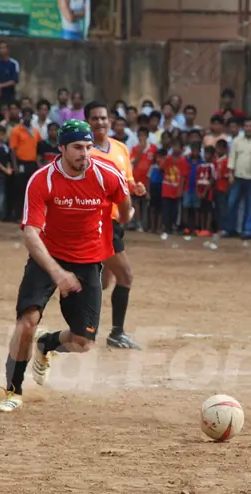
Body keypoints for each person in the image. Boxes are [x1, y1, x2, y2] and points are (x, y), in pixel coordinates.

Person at [0, 120, 131, 411]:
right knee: (27, 322)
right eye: (78, 147)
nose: (85, 153)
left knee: (83, 343)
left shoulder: (107, 175)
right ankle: (13, 391)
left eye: (89, 147)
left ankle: (47, 345)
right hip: (48, 257)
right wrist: (57, 272)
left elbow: (125, 206)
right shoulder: (43, 180)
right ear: (62, 148)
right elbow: (31, 234)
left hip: (89, 260)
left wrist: (126, 210)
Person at [86, 101, 147, 349]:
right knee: (126, 276)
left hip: (118, 220)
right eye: (95, 118)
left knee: (103, 282)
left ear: (110, 120)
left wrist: (136, 188)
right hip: (100, 222)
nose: (100, 122)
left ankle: (87, 325)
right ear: (87, 122)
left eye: (103, 118)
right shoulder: (85, 152)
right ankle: (115, 333)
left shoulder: (121, 148)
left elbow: (127, 180)